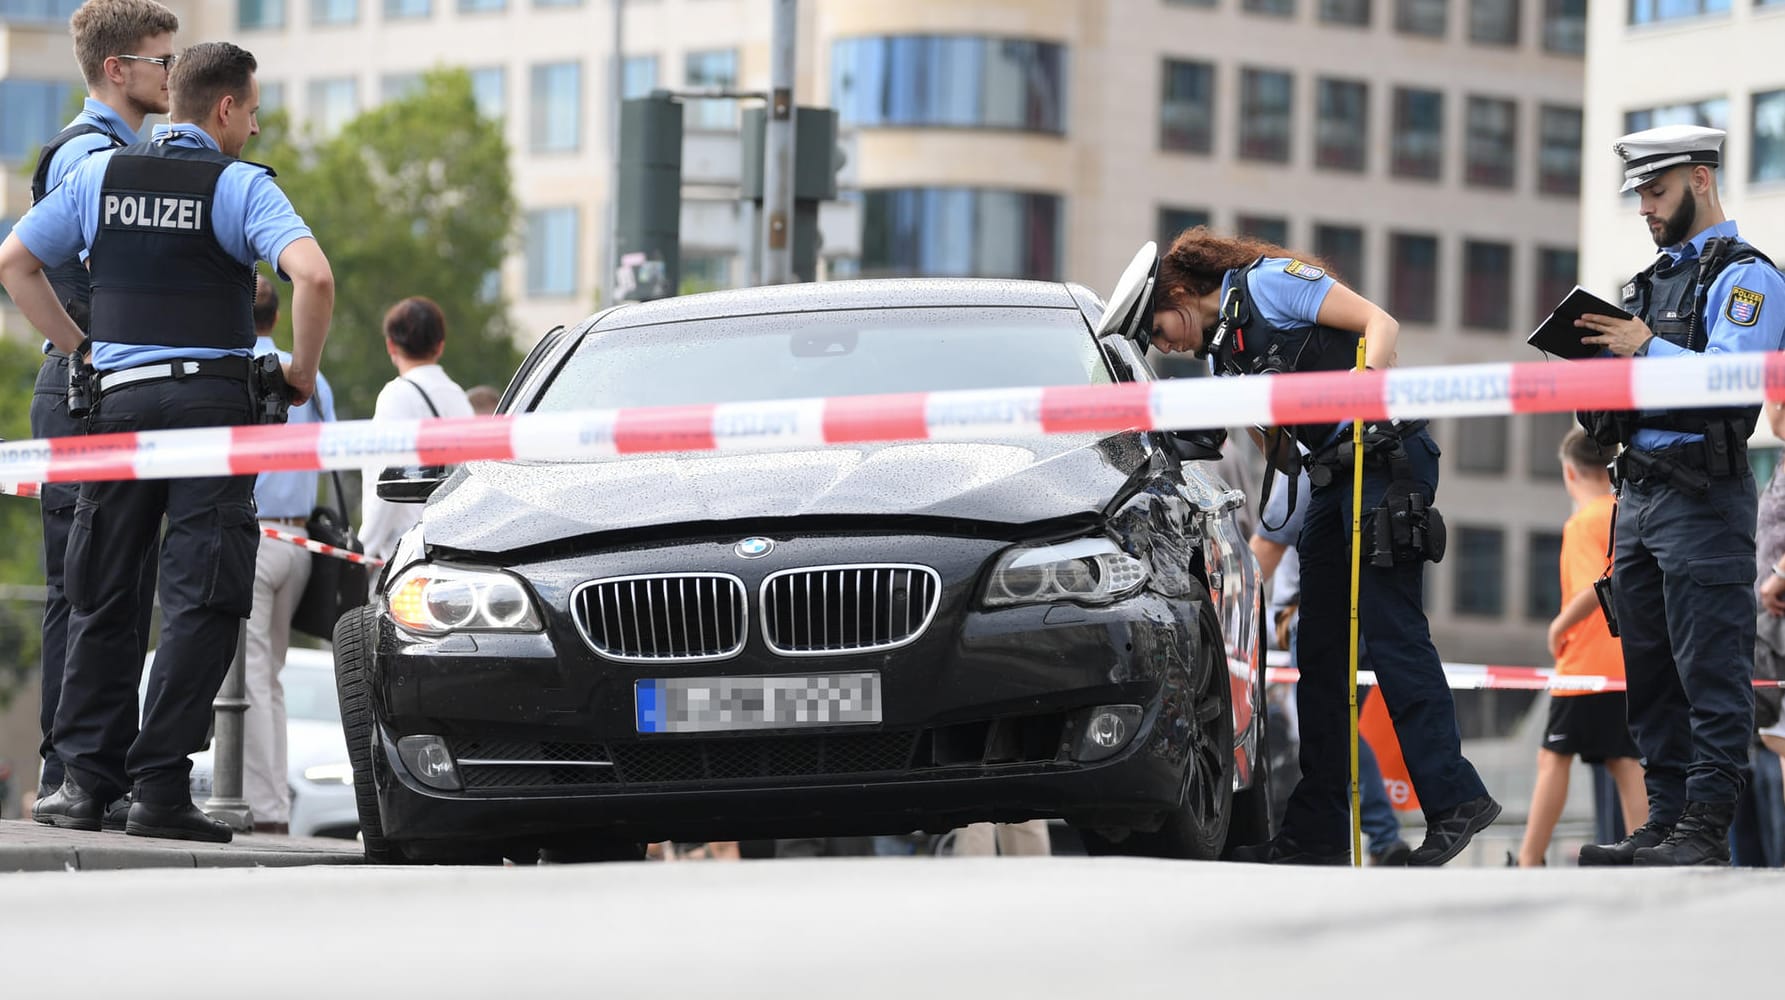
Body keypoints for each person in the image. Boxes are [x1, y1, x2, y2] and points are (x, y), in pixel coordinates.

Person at [0, 41, 335, 842]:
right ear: (223, 109)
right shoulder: (238, 185)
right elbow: (314, 277)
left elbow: (15, 262)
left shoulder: (96, 176)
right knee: (201, 596)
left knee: (101, 590)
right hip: (211, 415)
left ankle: (84, 784)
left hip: (112, 413)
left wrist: (83, 350)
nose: (253, 129)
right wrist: (296, 373)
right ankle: (158, 787)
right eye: (251, 113)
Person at [1149, 227, 1497, 866]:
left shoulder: (1268, 282)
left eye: (1159, 325)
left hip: (1383, 458)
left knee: (1391, 634)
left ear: (1179, 292)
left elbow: (1379, 323)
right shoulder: (1224, 357)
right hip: (1329, 479)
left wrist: (1364, 401)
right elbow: (1281, 453)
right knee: (1320, 655)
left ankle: (1454, 802)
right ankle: (1317, 832)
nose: (1162, 341)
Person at [1573, 125, 1785, 866]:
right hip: (1638, 498)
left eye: (1656, 192)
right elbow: (1619, 404)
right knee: (1652, 674)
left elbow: (1728, 382)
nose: (1644, 209)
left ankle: (1703, 829)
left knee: (1709, 670)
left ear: (1699, 179)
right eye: (1637, 194)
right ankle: (1663, 822)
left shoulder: (1749, 277)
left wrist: (1642, 347)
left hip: (1703, 496)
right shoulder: (1644, 286)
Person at [26, 0, 179, 825]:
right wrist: (83, 350)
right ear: (117, 69)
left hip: (90, 390)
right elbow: (23, 264)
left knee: (99, 592)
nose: (171, 72)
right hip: (85, 391)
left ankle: (84, 770)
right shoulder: (93, 156)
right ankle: (74, 773)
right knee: (90, 592)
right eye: (161, 59)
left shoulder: (125, 150)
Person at [1252, 469, 1412, 866]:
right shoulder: (1336, 461)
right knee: (1338, 721)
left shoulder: (1302, 468)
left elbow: (1264, 551)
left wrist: (1228, 607)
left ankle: (1371, 832)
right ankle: (1366, 832)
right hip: (1356, 609)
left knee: (1329, 721)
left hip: (1312, 612)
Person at [1514, 429, 1648, 867]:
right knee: (1625, 761)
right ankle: (1646, 850)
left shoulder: (1584, 520)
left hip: (1586, 661)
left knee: (1553, 757)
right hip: (1624, 659)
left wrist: (1558, 626)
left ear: (1570, 471)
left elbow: (1597, 581)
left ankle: (1531, 858)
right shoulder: (1624, 510)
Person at [242, 275, 335, 835]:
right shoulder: (311, 378)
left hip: (253, 538)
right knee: (268, 678)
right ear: (277, 319)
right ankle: (271, 799)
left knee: (250, 680)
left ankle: (263, 805)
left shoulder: (235, 369)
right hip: (298, 543)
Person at [358, 297, 474, 562]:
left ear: (391, 345)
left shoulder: (396, 394)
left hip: (407, 548)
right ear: (440, 346)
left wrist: (366, 546)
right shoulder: (457, 396)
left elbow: (386, 476)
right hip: (452, 542)